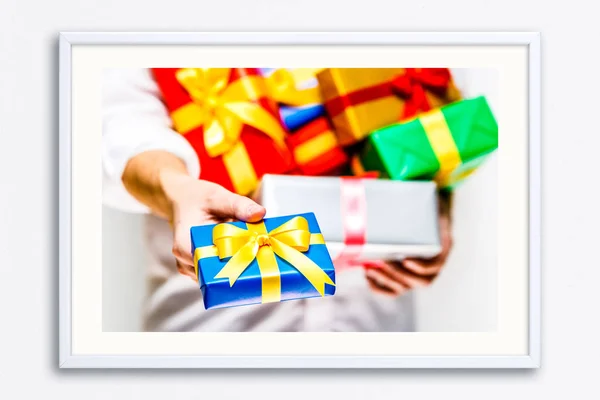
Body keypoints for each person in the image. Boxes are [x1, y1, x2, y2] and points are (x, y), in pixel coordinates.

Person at [102, 68, 454, 332]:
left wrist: (427, 208)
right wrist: (176, 190)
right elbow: (118, 125)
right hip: (217, 320)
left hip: (375, 313)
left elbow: (438, 105)